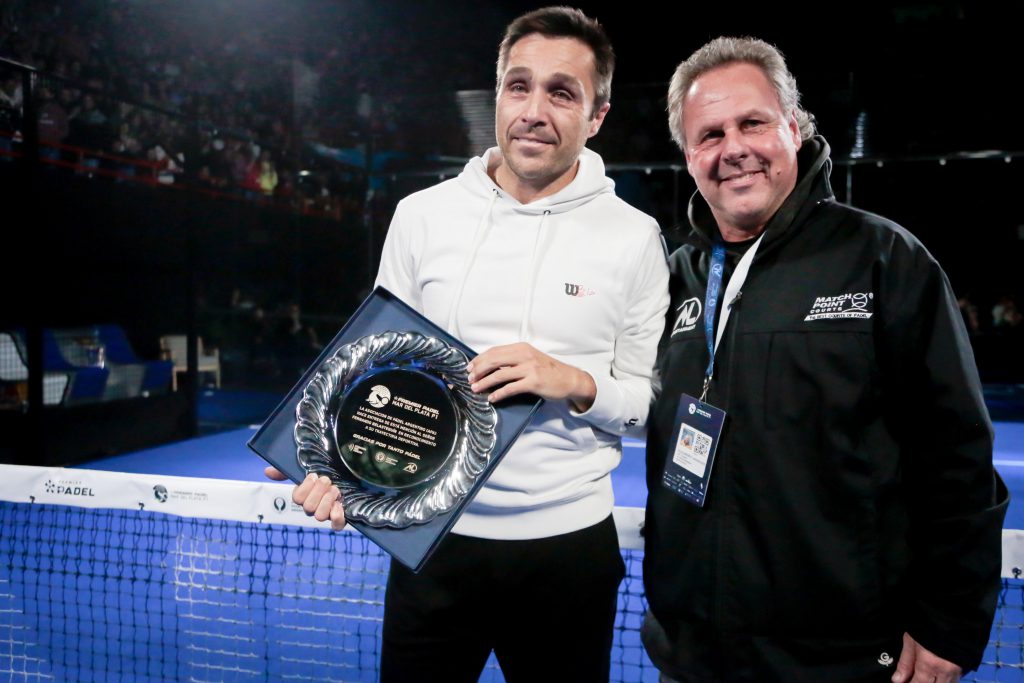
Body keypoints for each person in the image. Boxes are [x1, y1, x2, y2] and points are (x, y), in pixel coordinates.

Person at [266, 7, 669, 682]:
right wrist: (323, 454)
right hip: (432, 547)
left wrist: (573, 381)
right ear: (498, 95)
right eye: (519, 85)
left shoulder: (634, 237)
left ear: (597, 115)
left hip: (568, 553)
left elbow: (651, 398)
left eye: (561, 92)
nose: (534, 110)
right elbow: (374, 366)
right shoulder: (421, 216)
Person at [642, 37, 1008, 683]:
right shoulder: (673, 277)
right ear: (689, 155)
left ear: (794, 126)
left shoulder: (884, 259)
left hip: (839, 655)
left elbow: (956, 454)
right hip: (696, 650)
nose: (734, 148)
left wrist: (949, 619)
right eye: (710, 134)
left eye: (752, 122)